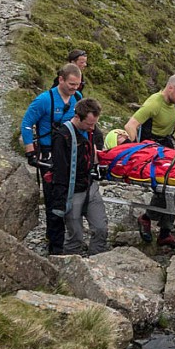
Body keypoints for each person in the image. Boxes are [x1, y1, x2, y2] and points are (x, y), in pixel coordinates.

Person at [21, 63, 83, 255]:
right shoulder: (44, 100)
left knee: (69, 191)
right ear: (61, 79)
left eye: (78, 84)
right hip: (48, 152)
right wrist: (31, 152)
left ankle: (67, 236)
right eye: (71, 84)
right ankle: (54, 242)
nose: (74, 88)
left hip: (71, 151)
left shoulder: (78, 99)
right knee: (52, 195)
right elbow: (26, 124)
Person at [124, 73, 175, 248]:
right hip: (152, 148)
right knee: (165, 188)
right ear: (170, 88)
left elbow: (173, 116)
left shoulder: (173, 103)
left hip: (166, 145)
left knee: (174, 187)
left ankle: (162, 231)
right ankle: (150, 222)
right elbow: (130, 125)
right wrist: (135, 149)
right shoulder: (154, 103)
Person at [50, 98, 109, 256]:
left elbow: (97, 154)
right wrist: (60, 202)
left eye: (94, 123)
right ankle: (69, 269)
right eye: (89, 124)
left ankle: (97, 262)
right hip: (72, 190)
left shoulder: (93, 132)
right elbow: (60, 171)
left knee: (101, 228)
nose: (92, 128)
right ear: (78, 117)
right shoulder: (62, 137)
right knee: (75, 235)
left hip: (89, 185)